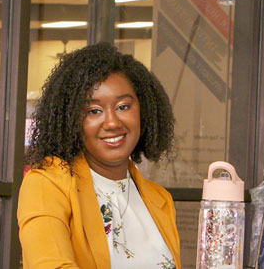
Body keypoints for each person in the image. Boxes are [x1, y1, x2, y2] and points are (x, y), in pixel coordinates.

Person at [17, 42, 180, 269]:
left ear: (144, 111)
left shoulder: (160, 200)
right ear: (71, 120)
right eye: (94, 111)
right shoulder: (47, 184)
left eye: (123, 106)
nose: (112, 122)